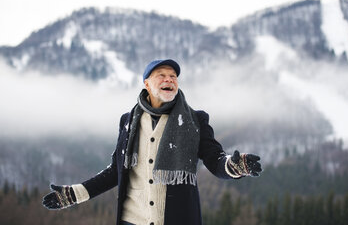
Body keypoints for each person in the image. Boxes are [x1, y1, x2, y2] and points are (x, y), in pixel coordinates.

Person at [42, 59, 262, 225]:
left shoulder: (195, 120)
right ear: (146, 83)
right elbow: (117, 170)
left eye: (173, 76)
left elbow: (215, 161)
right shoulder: (128, 121)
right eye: (161, 75)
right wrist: (74, 194)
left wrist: (235, 166)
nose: (169, 79)